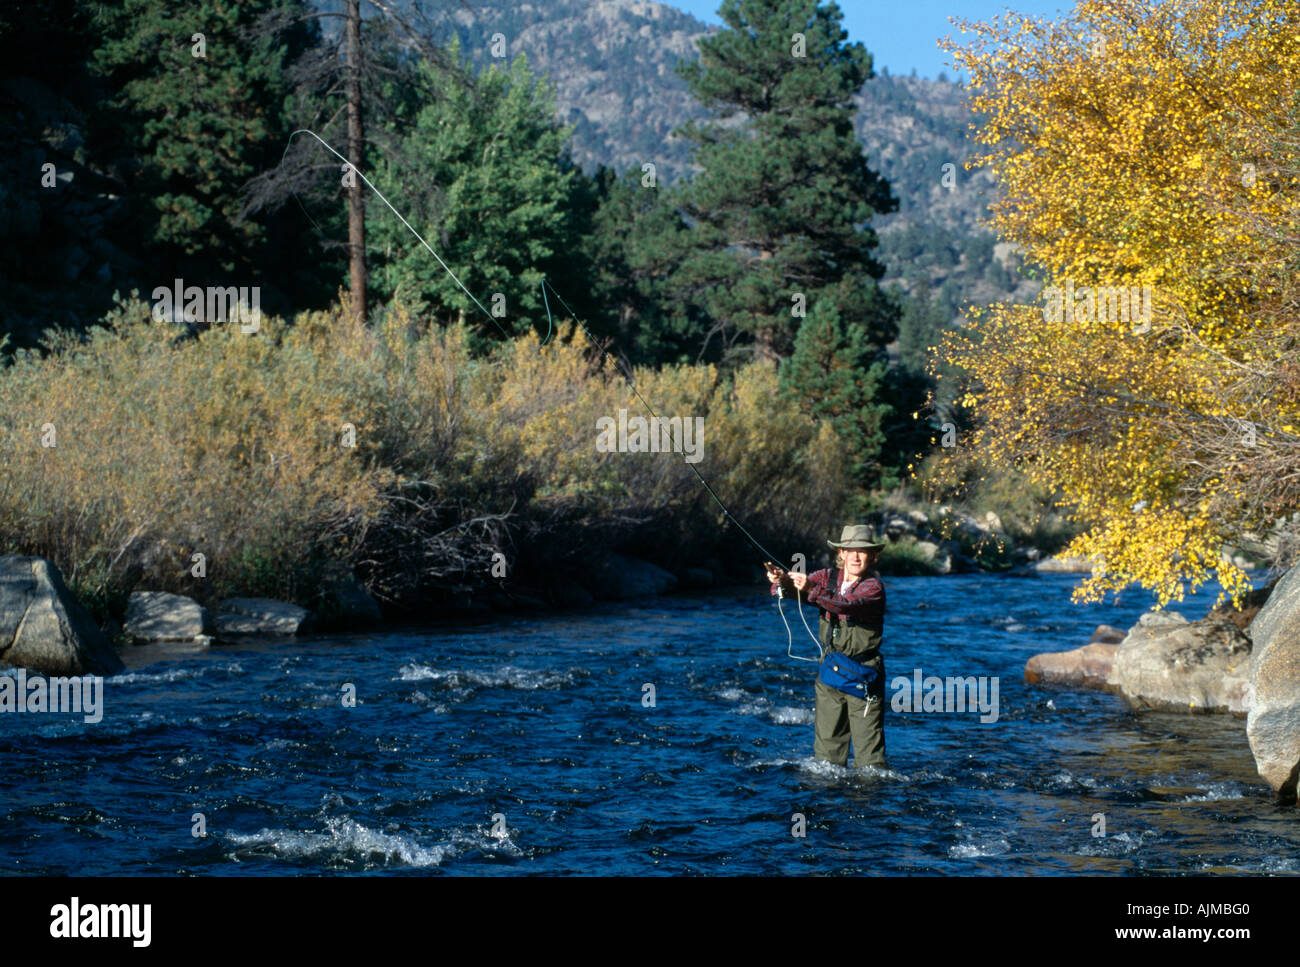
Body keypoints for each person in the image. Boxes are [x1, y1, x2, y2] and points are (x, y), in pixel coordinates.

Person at [766, 524, 888, 770]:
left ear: (872, 556)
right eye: (849, 550)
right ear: (840, 553)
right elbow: (790, 592)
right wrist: (781, 582)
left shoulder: (873, 587)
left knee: (870, 763)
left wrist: (810, 588)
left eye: (862, 551)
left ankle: (872, 802)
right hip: (830, 671)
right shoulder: (825, 577)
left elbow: (845, 604)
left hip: (864, 675)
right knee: (826, 760)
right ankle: (827, 802)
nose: (855, 556)